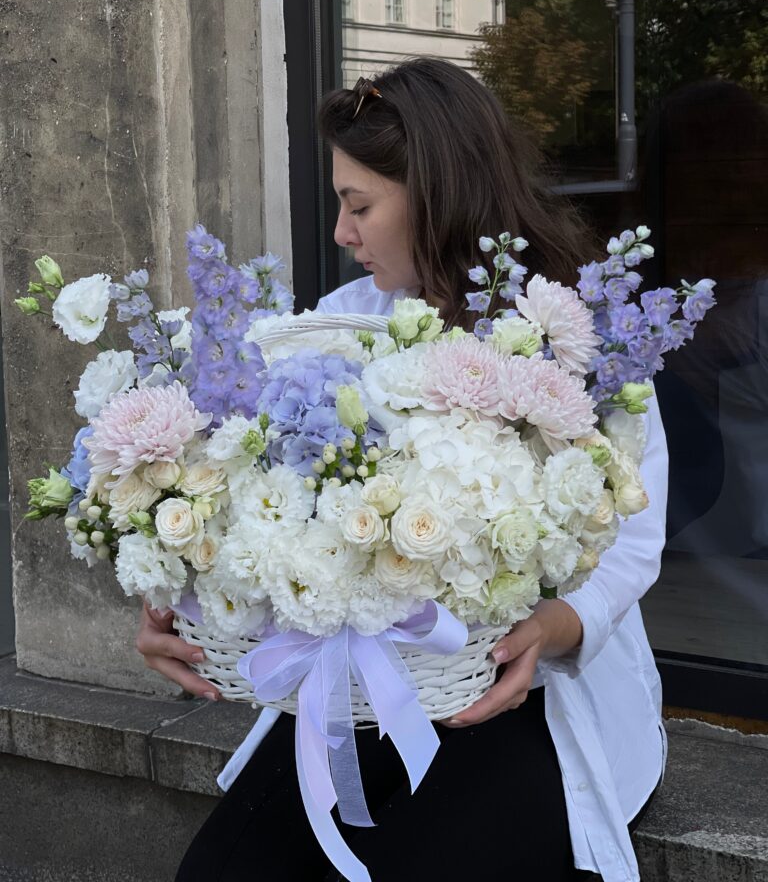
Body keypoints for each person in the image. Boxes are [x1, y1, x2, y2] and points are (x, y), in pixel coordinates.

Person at [136, 57, 668, 882]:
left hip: (514, 691)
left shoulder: (573, 334)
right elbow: (256, 494)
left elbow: (631, 543)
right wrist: (179, 597)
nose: (343, 232)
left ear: (441, 195)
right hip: (363, 684)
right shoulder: (339, 325)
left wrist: (550, 629)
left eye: (361, 205)